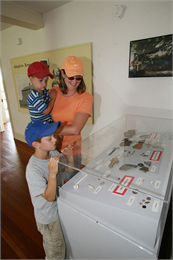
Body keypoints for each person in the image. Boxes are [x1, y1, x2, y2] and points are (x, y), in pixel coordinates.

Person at [25, 120, 74, 259]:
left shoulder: (52, 153)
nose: (55, 139)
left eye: (54, 135)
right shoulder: (33, 170)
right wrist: (52, 173)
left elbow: (68, 172)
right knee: (55, 252)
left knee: (63, 243)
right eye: (49, 138)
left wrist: (69, 157)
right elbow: (49, 197)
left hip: (60, 209)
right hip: (49, 218)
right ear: (36, 144)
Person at [51, 56, 93, 175]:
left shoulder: (86, 97)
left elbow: (75, 129)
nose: (74, 82)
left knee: (71, 182)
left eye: (78, 78)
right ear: (63, 73)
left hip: (72, 150)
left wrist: (48, 131)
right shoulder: (54, 92)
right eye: (71, 77)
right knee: (54, 183)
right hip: (52, 147)